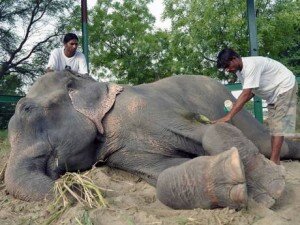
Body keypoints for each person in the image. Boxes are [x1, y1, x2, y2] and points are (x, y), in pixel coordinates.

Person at [213, 48, 298, 165]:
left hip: (285, 87)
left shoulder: (251, 65)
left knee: (279, 127)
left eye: (228, 66)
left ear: (234, 59)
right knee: (274, 128)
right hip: (272, 94)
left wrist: (229, 116)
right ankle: (276, 160)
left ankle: (273, 162)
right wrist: (235, 106)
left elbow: (246, 93)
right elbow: (251, 92)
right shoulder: (239, 72)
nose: (228, 70)